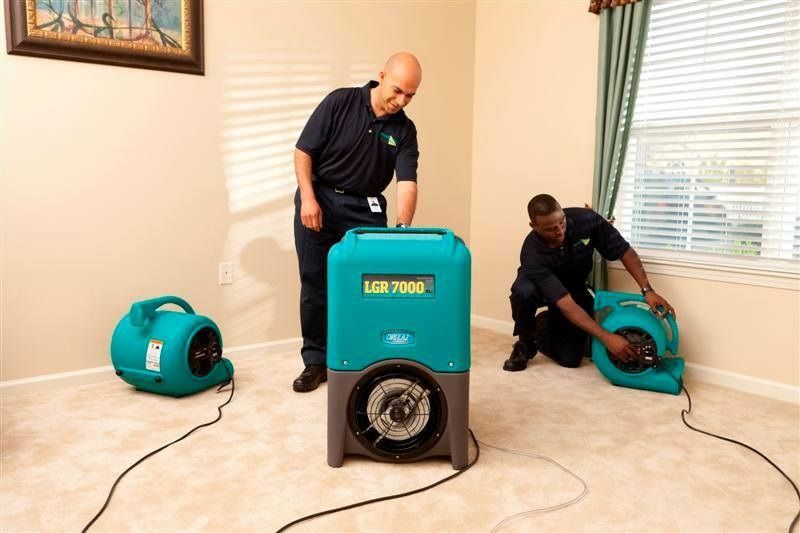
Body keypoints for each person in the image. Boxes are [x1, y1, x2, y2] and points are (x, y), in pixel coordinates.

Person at [292, 52, 422, 392]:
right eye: (397, 90)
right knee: (315, 283)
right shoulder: (340, 101)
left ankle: (364, 358)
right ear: (381, 75)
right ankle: (315, 362)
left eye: (410, 95)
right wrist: (308, 197)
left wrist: (403, 229)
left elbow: (407, 182)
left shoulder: (404, 130)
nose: (401, 100)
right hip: (319, 198)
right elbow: (303, 151)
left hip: (365, 208)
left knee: (369, 287)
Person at [503, 193, 676, 372]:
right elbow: (567, 304)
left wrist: (647, 290)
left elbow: (625, 251)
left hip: (573, 286)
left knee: (570, 359)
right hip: (540, 288)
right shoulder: (532, 253)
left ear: (563, 212)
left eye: (561, 222)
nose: (559, 231)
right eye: (550, 229)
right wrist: (606, 337)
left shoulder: (586, 220)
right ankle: (525, 342)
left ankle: (544, 324)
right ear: (534, 226)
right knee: (523, 292)